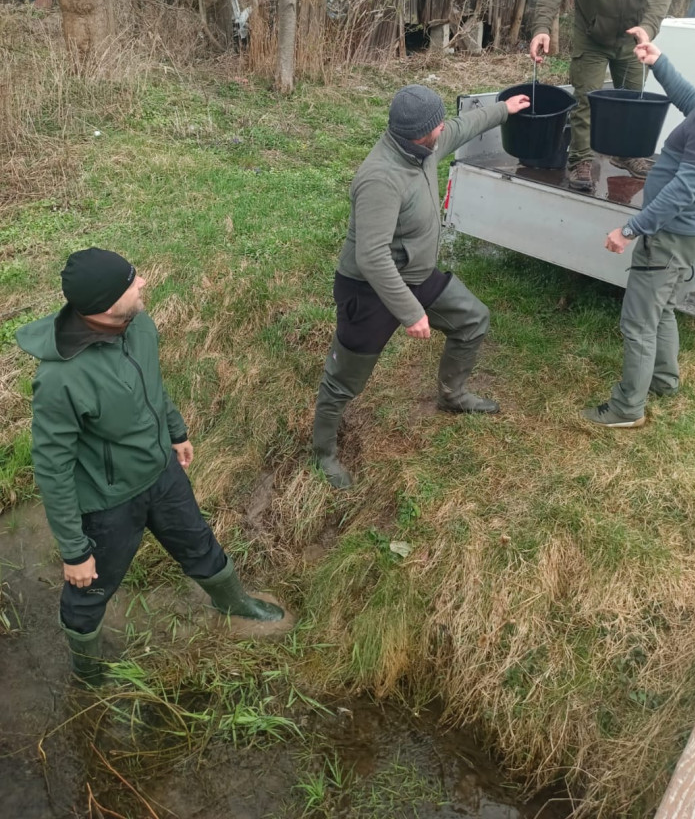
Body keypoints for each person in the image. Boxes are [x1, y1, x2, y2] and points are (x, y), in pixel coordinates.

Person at [15, 248, 291, 685]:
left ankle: (233, 602)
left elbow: (153, 385)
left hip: (162, 472)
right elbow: (52, 467)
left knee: (198, 542)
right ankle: (87, 671)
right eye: (131, 281)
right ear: (106, 302)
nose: (143, 283)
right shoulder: (60, 379)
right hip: (107, 501)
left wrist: (176, 432)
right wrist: (74, 551)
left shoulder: (138, 324)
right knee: (90, 589)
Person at [312, 84, 530, 489]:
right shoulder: (380, 179)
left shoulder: (423, 147)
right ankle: (324, 453)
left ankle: (452, 394)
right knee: (344, 381)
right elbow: (371, 257)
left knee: (473, 320)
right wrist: (411, 313)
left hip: (415, 273)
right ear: (418, 134)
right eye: (437, 125)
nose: (443, 127)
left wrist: (503, 109)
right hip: (369, 291)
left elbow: (460, 128)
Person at [581, 28, 695, 427]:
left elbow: (684, 190)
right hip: (693, 233)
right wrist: (657, 62)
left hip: (671, 236)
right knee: (661, 310)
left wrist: (630, 229)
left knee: (638, 323)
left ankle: (627, 408)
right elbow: (693, 104)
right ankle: (664, 380)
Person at [529, 0, 677, 192]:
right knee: (586, 97)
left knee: (633, 98)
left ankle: (628, 154)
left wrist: (648, 27)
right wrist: (541, 27)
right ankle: (581, 160)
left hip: (634, 33)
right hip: (591, 32)